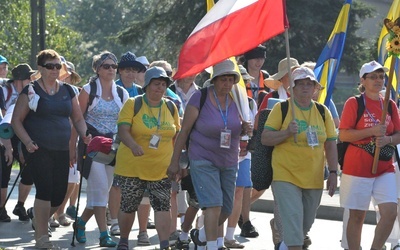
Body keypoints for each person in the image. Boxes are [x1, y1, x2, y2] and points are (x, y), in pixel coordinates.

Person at [167, 59, 253, 250]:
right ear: (214, 80)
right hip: (203, 158)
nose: (227, 84)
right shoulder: (200, 97)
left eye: (231, 80)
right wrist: (175, 162)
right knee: (213, 204)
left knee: (226, 208)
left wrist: (244, 128)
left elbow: (238, 129)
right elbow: (184, 131)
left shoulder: (237, 100)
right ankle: (212, 246)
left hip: (229, 160)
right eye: (223, 79)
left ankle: (201, 234)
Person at [11, 49, 90, 248]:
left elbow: (78, 118)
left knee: (59, 194)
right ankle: (42, 238)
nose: (55, 70)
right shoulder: (31, 90)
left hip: (61, 149)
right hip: (38, 149)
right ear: (40, 68)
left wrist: (84, 134)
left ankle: (39, 219)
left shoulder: (68, 90)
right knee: (44, 191)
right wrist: (27, 142)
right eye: (50, 66)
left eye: (58, 66)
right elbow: (16, 121)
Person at [261, 67, 338, 250]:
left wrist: (334, 172)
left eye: (309, 84)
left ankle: (284, 245)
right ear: (292, 89)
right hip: (285, 175)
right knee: (294, 221)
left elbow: (330, 143)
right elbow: (265, 138)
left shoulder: (322, 111)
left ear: (314, 89)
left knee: (305, 224)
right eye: (300, 84)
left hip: (314, 177)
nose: (305, 87)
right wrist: (287, 132)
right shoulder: (283, 108)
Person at [114, 66, 180, 250]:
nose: (160, 88)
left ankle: (164, 244)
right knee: (128, 205)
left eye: (163, 84)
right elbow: (123, 130)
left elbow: (177, 135)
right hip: (132, 166)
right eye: (156, 84)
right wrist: (133, 145)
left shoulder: (170, 106)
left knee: (162, 206)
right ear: (147, 85)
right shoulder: (133, 104)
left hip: (161, 167)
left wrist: (177, 162)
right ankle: (124, 240)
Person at [339, 61, 400, 250]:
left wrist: (388, 140)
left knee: (390, 212)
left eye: (381, 77)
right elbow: (343, 134)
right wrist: (371, 131)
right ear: (362, 80)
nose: (379, 80)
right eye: (373, 77)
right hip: (357, 167)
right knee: (357, 216)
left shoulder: (389, 104)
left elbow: (398, 134)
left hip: (384, 167)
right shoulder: (354, 103)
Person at [71, 51, 129, 248]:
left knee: (101, 191)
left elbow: (125, 122)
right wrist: (72, 146)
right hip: (92, 145)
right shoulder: (88, 90)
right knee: (101, 188)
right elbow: (76, 119)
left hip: (113, 147)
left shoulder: (122, 93)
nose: (112, 69)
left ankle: (80, 222)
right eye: (106, 66)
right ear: (97, 69)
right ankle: (104, 234)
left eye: (114, 66)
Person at [0, 63, 36, 223]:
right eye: (29, 77)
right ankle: (1, 208)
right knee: (4, 173)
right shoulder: (4, 90)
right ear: (20, 79)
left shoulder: (31, 91)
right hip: (6, 134)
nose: (31, 79)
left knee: (28, 172)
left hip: (24, 133)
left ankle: (20, 205)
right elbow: (3, 118)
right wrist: (7, 145)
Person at [52, 60, 82, 227]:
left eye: (67, 74)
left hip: (73, 142)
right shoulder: (46, 91)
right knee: (52, 180)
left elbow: (79, 118)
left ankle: (60, 211)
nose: (65, 76)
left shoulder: (77, 93)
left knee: (72, 180)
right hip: (52, 142)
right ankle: (48, 214)